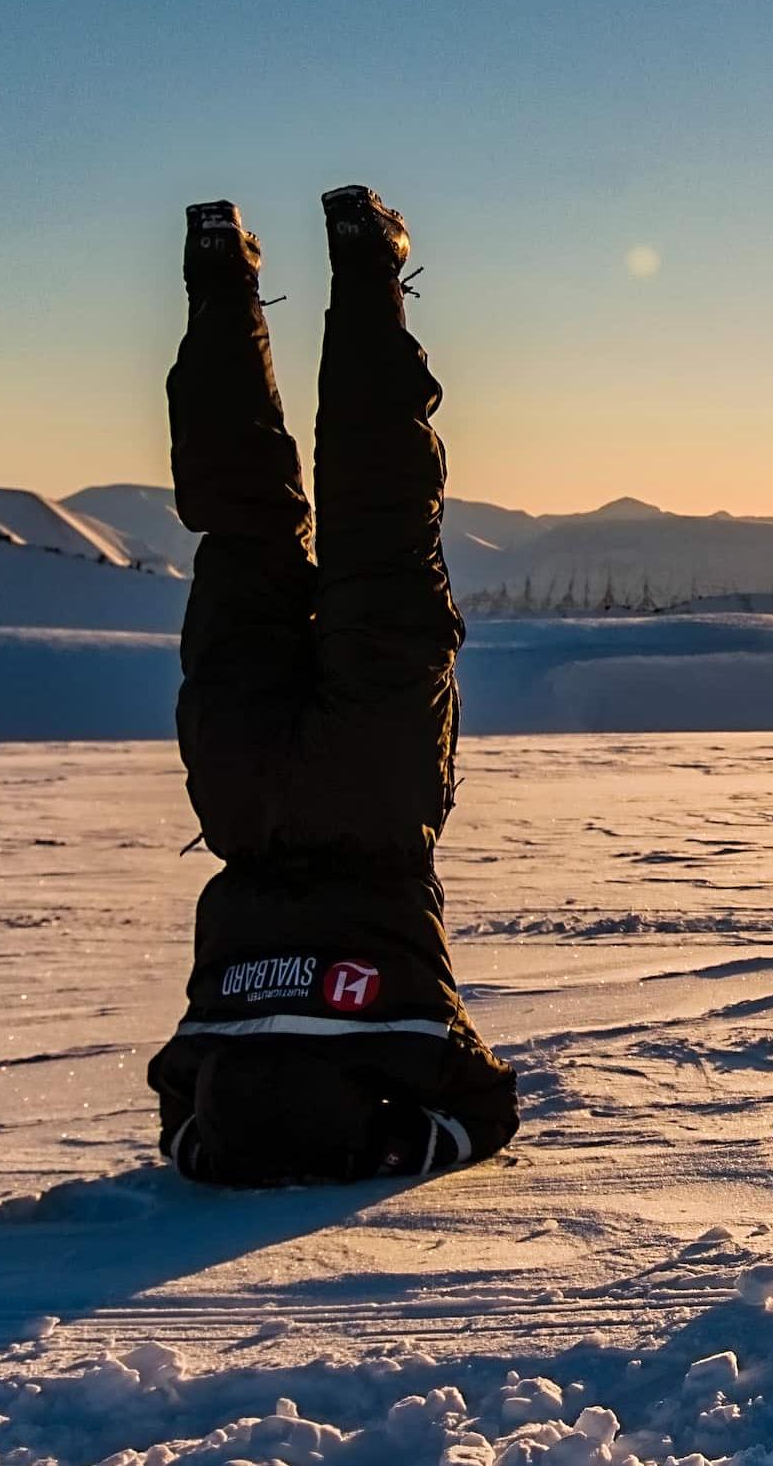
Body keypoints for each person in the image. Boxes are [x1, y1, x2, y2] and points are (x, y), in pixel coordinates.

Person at [146, 187, 519, 1183]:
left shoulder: (406, 1037)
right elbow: (179, 1128)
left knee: (379, 526)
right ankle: (219, 278)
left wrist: (405, 1142)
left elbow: (487, 1110)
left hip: (371, 788)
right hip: (245, 791)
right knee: (242, 525)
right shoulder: (206, 1050)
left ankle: (367, 269)